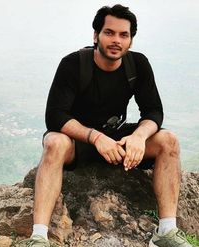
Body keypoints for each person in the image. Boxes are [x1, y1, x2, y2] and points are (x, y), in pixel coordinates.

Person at [19, 4, 192, 247]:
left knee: (168, 140)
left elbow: (153, 110)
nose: (116, 40)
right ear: (95, 35)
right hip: (80, 141)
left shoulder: (138, 65)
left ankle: (166, 233)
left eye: (124, 35)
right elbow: (56, 116)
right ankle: (38, 238)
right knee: (53, 141)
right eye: (109, 33)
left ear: (131, 40)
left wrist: (139, 137)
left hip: (116, 138)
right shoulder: (73, 64)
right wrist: (96, 137)